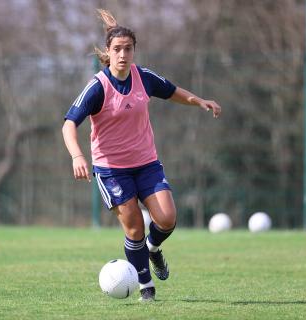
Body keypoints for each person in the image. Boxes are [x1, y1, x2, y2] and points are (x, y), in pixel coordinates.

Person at [62, 9, 221, 302]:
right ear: (108, 52)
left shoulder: (143, 77)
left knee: (168, 218)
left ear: (134, 50)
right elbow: (70, 123)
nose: (123, 54)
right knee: (134, 226)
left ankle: (153, 248)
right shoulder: (98, 87)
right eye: (117, 49)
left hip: (146, 163)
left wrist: (198, 101)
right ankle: (146, 287)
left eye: (128, 49)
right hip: (112, 170)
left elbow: (171, 91)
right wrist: (76, 156)